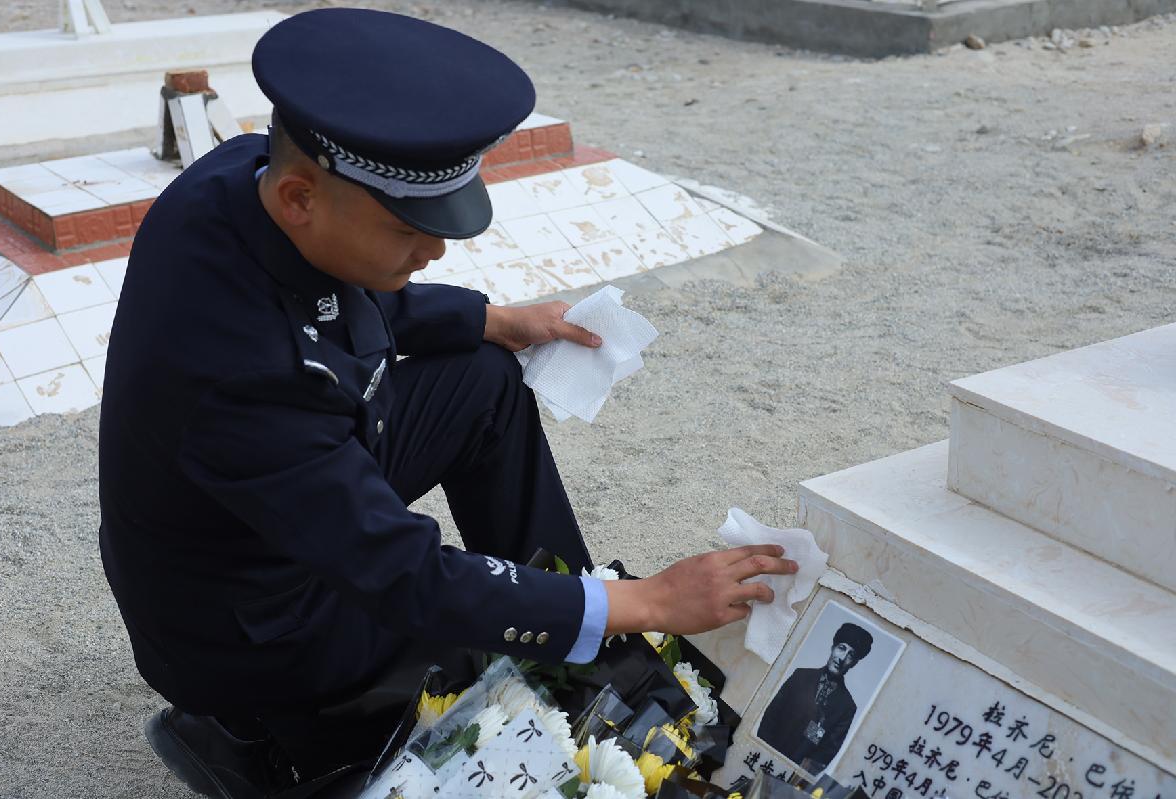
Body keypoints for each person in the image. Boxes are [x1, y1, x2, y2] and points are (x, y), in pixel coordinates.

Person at [97, 8, 798, 797]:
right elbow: (408, 574)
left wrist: (491, 319)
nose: (433, 249)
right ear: (300, 197)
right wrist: (649, 601)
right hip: (250, 620)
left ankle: (574, 635)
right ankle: (257, 728)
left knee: (482, 379)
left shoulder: (241, 182)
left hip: (270, 516)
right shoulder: (245, 377)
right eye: (408, 229)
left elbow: (336, 293)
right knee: (458, 679)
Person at [756, 622, 874, 771]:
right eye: (841, 648)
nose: (842, 658)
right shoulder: (800, 675)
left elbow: (826, 753)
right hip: (761, 755)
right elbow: (771, 715)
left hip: (790, 771)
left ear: (854, 663)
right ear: (833, 648)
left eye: (850, 655)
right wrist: (761, 751)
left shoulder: (847, 706)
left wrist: (794, 772)